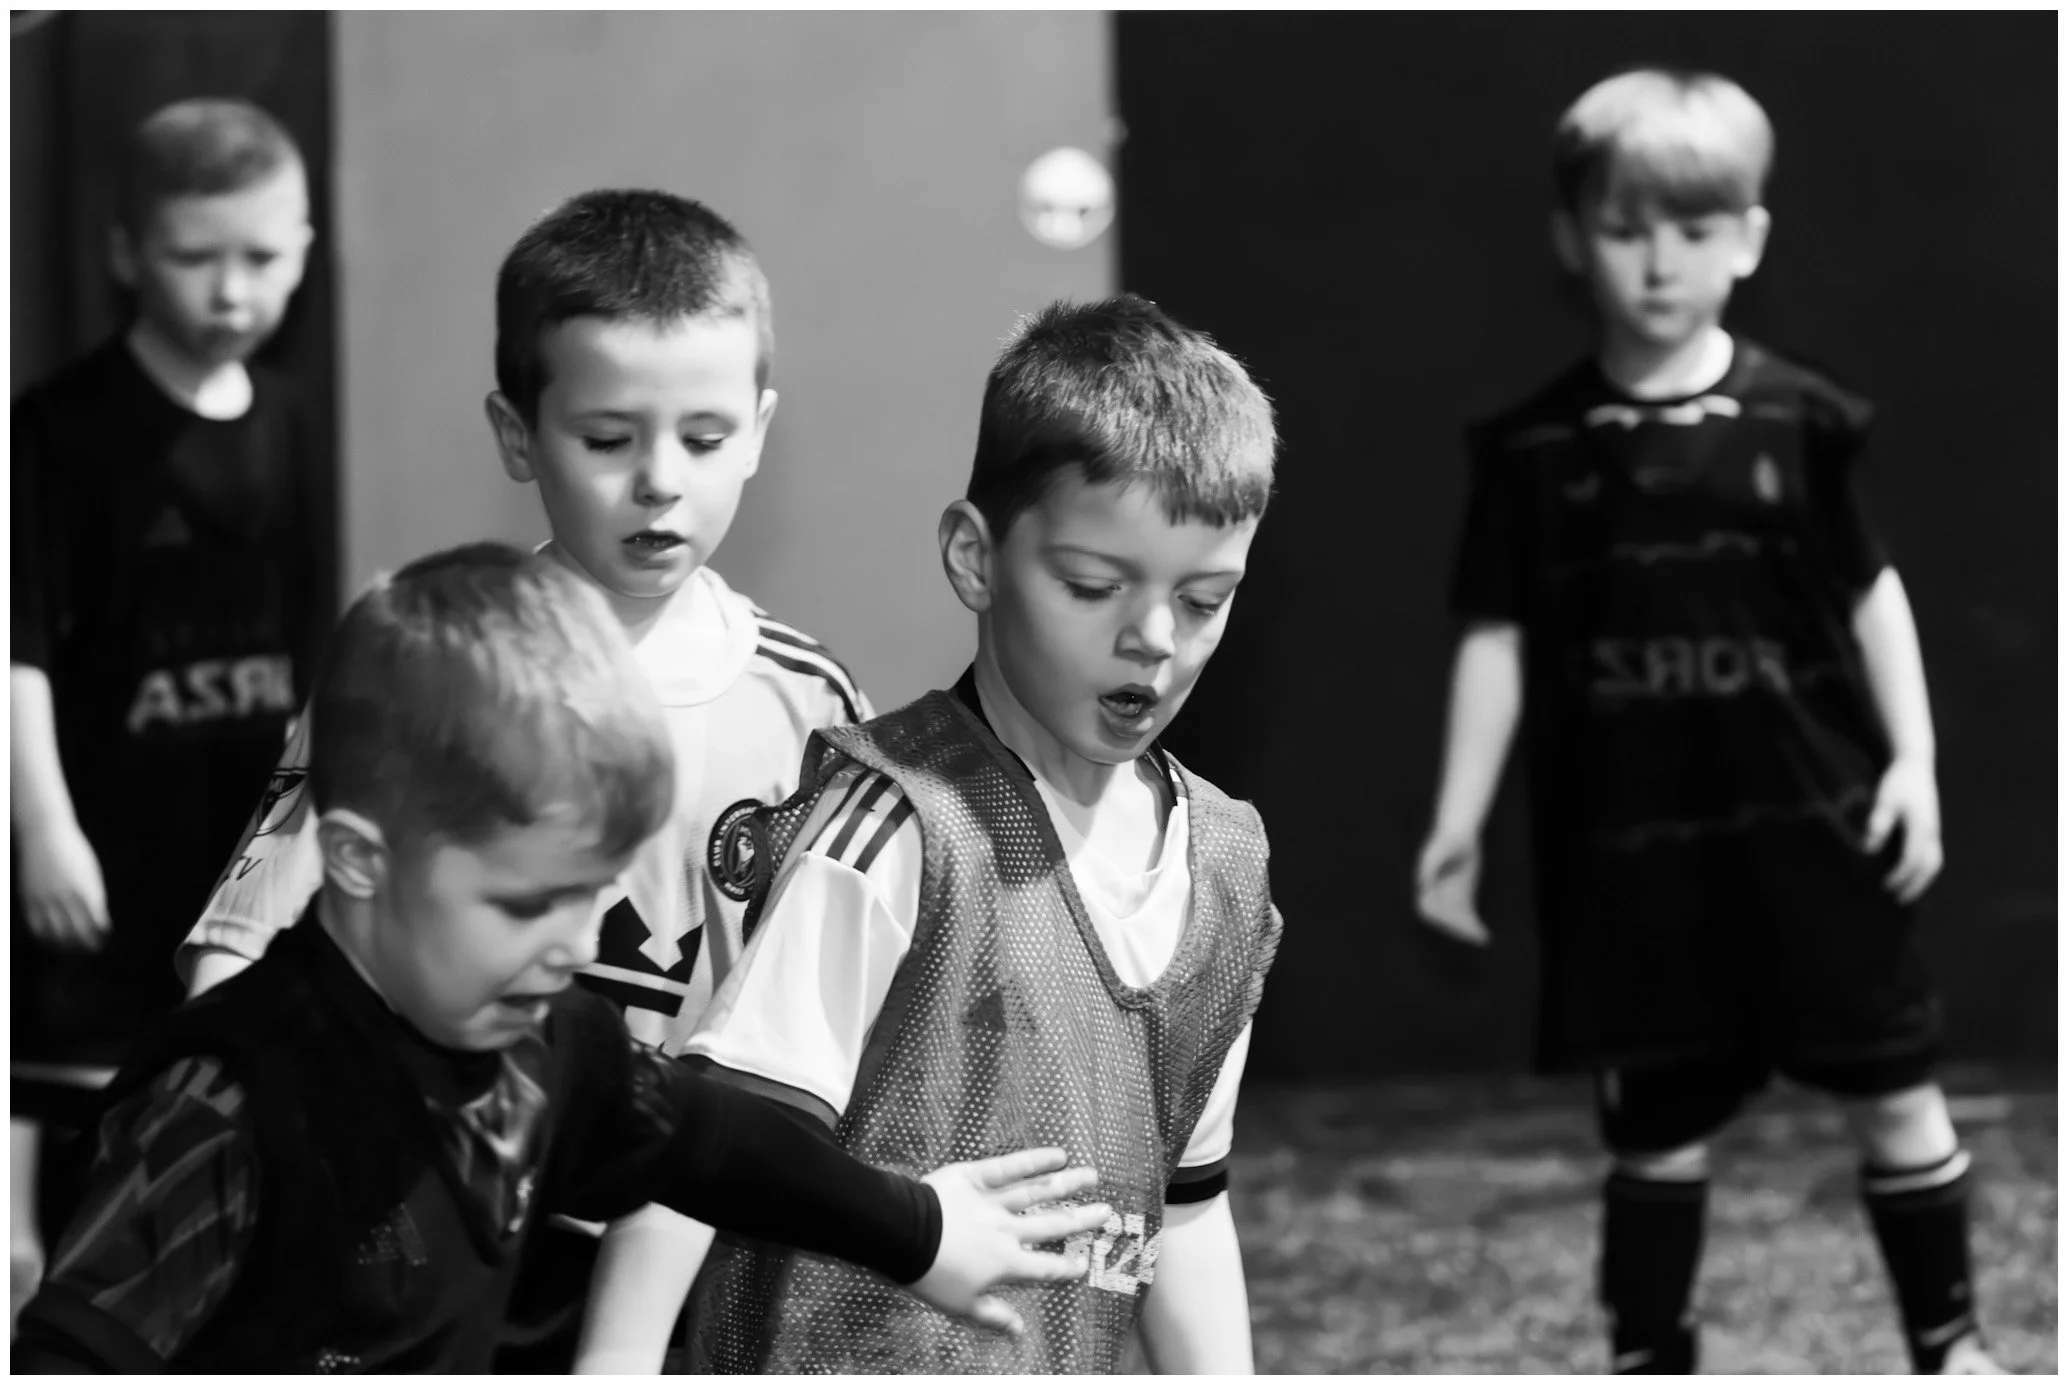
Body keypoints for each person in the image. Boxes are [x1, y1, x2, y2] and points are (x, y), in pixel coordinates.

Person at [10, 543, 1113, 1372]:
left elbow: (703, 1136)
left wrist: (918, 1229)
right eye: (526, 899)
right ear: (354, 860)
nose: (580, 942)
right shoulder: (222, 1103)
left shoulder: (544, 1042)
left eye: (595, 890)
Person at [171, 189, 873, 1361]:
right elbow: (239, 945)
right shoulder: (424, 659)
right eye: (608, 439)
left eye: (703, 438)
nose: (659, 479)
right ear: (516, 433)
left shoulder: (812, 709)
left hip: (682, 1257)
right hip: (414, 1236)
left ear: (756, 430)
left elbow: (780, 1051)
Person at [1414, 67, 2001, 1376]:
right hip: (1634, 856)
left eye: (1693, 228)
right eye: (1627, 229)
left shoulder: (1804, 420)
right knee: (1654, 1125)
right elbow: (1496, 641)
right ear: (1573, 238)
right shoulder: (1533, 452)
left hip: (1815, 826)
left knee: (1898, 1095)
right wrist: (1456, 824)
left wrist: (1913, 763)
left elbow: (1871, 595)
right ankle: (1652, 1352)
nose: (1660, 262)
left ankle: (1950, 1345)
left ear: (1748, 238)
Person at [574, 295, 1284, 1374]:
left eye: (1203, 598)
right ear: (973, 556)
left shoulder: (1224, 865)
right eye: (1093, 586)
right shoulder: (893, 824)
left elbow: (1183, 1209)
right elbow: (715, 1150)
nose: (1152, 638)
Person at [10, 97, 324, 1328]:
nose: (232, 290)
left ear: (302, 246)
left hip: (235, 821)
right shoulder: (56, 430)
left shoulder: (291, 418)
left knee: (210, 1061)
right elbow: (17, 646)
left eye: (259, 256)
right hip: (96, 828)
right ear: (129, 253)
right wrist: (41, 825)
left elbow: (308, 644)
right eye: (198, 258)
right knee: (70, 1067)